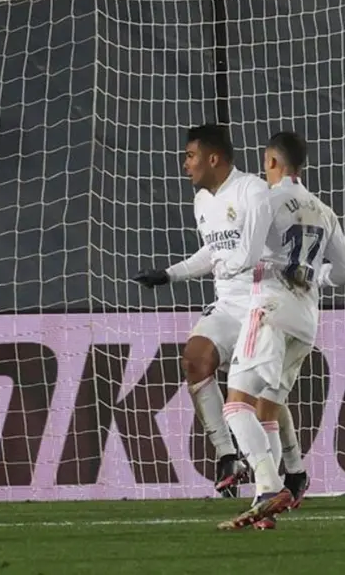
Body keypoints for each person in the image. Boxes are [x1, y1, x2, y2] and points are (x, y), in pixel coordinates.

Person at [134, 124, 292, 496]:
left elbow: (249, 251)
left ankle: (287, 475)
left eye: (190, 156)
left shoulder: (252, 190)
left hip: (261, 303)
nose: (185, 165)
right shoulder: (202, 201)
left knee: (261, 399)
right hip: (227, 305)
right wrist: (170, 274)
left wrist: (234, 265)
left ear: (213, 158)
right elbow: (213, 252)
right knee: (194, 359)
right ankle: (226, 456)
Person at [217, 131, 345, 530]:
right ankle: (263, 503)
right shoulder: (324, 210)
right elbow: (342, 271)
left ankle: (269, 485)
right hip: (306, 321)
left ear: (272, 162)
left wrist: (225, 262)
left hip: (269, 309)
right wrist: (315, 273)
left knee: (236, 403)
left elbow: (249, 253)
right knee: (267, 407)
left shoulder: (266, 199)